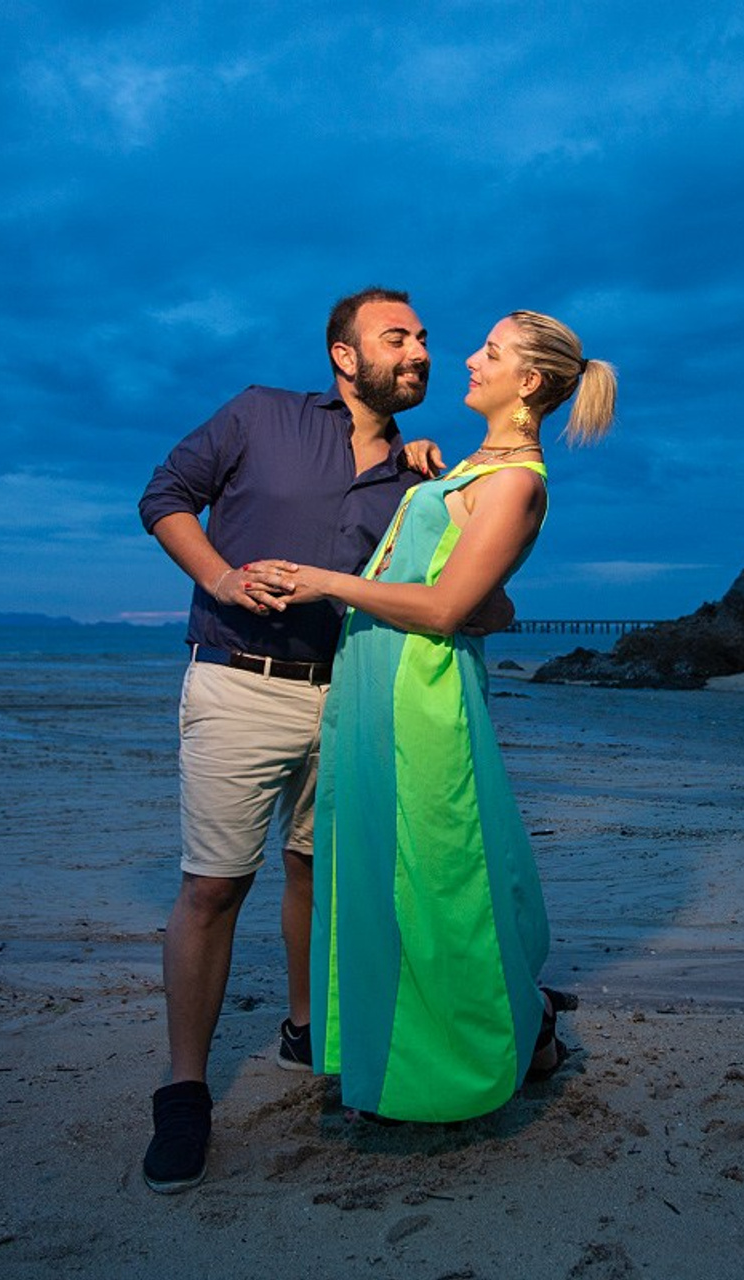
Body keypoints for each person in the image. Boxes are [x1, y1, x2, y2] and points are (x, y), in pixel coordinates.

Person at [136, 287, 510, 1193]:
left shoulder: (424, 479)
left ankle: (309, 1028)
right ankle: (185, 1092)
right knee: (214, 887)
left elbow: (462, 599)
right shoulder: (260, 413)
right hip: (237, 683)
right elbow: (164, 497)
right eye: (398, 338)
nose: (419, 352)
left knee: (321, 873)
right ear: (345, 355)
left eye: (423, 338)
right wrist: (221, 579)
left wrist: (432, 481)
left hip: (351, 702)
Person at [248, 310, 616, 1122]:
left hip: (424, 695)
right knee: (384, 874)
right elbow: (442, 552)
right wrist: (419, 474)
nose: (469, 361)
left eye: (490, 353)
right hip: (376, 687)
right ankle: (413, 1044)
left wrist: (326, 582)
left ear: (527, 383)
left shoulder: (518, 481)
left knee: (439, 880)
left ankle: (487, 1049)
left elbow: (450, 607)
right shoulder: (470, 466)